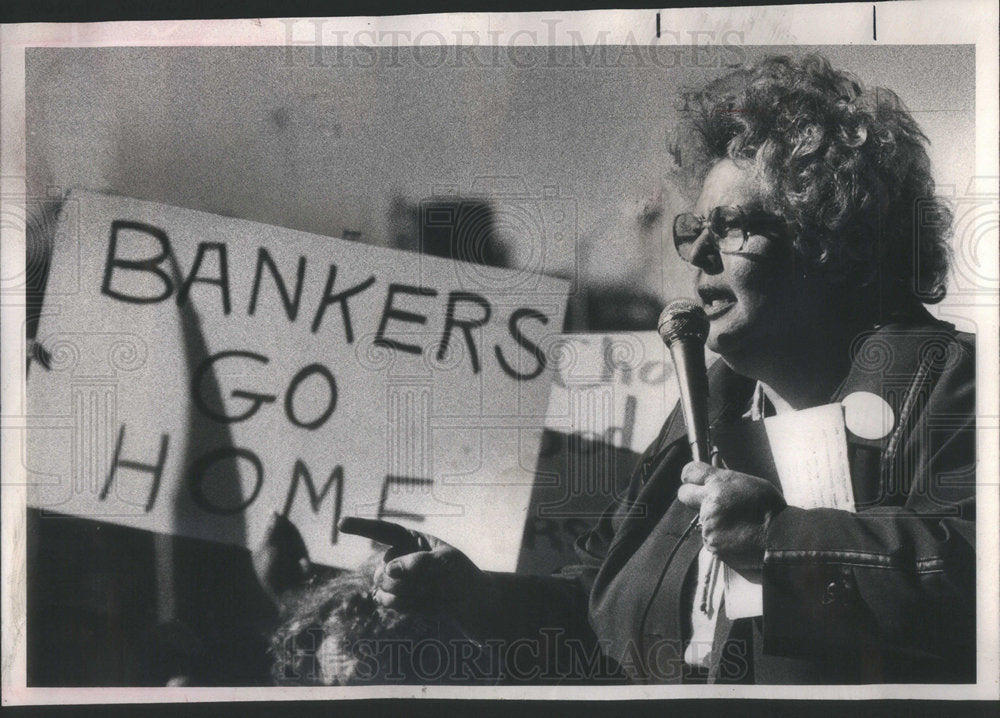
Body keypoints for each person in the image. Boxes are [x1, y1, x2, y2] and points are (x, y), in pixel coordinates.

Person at [327, 53, 976, 684]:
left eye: (732, 227)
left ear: (833, 244)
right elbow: (596, 614)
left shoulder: (949, 387)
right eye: (694, 227)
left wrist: (782, 543)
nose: (697, 251)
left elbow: (978, 582)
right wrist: (473, 595)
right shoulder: (704, 410)